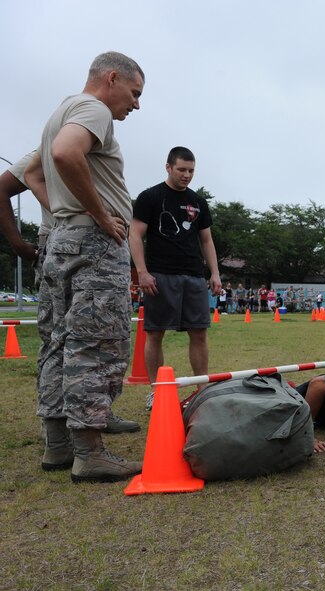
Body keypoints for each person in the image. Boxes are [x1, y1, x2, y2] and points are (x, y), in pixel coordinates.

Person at [26, 51, 145, 482]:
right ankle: (90, 453)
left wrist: (65, 212)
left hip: (61, 240)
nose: (135, 105)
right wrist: (96, 213)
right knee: (96, 343)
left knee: (58, 343)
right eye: (134, 93)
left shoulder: (61, 111)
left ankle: (58, 446)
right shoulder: (94, 109)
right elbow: (64, 154)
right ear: (112, 78)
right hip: (93, 244)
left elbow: (34, 173)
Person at [130, 146, 222, 410]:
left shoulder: (198, 202)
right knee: (155, 333)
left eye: (191, 170)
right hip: (159, 275)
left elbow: (206, 239)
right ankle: (156, 392)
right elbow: (135, 234)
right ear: (168, 167)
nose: (187, 175)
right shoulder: (150, 197)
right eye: (181, 169)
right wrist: (142, 272)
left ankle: (201, 391)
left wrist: (214, 273)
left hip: (193, 276)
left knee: (199, 333)